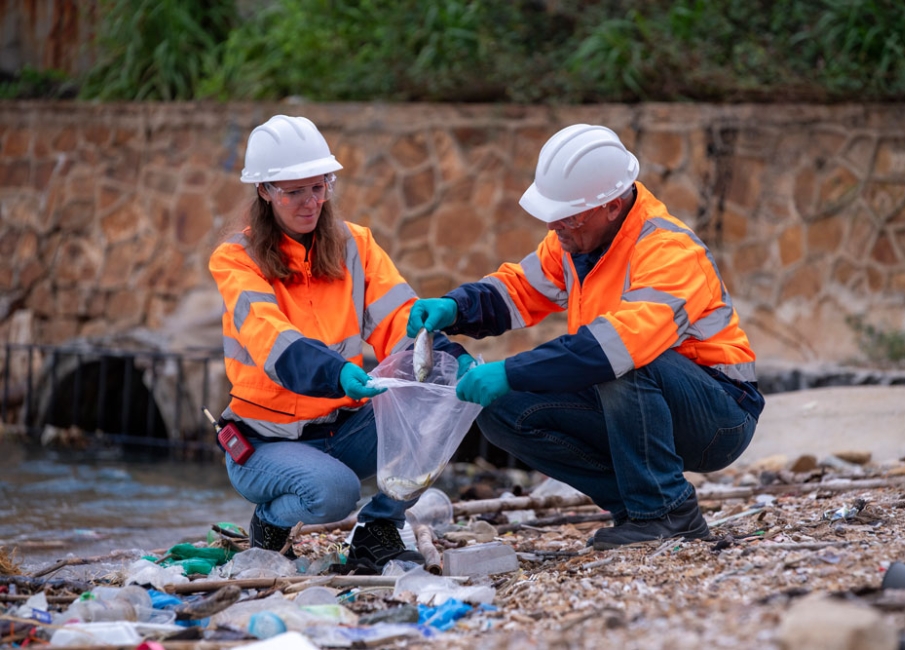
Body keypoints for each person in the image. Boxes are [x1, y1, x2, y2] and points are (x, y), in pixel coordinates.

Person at [408, 124, 764, 549]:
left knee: (623, 362)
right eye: (554, 215)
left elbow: (617, 347)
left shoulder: (668, 250)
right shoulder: (577, 239)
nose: (556, 226)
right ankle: (635, 509)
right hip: (639, 394)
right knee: (498, 409)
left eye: (568, 216)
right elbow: (519, 290)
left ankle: (668, 513)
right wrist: (456, 308)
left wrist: (512, 369)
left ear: (612, 206)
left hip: (721, 417)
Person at [209, 115, 469, 570]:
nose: (311, 202)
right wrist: (336, 372)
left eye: (319, 187)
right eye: (294, 191)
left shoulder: (356, 244)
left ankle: (379, 530)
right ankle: (270, 520)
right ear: (265, 191)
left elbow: (401, 323)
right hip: (266, 443)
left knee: (445, 392)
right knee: (335, 492)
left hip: (345, 425)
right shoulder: (236, 258)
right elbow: (271, 337)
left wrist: (453, 361)